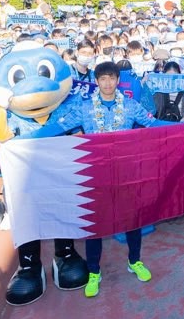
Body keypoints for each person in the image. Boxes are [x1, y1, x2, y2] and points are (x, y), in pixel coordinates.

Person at [29, 62, 171, 298]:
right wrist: (25, 139)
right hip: (95, 174)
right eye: (102, 79)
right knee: (96, 224)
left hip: (126, 173)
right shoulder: (85, 108)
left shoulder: (130, 105)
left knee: (133, 220)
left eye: (111, 78)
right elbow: (58, 127)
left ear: (118, 80)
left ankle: (134, 261)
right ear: (96, 81)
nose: (107, 83)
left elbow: (153, 124)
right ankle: (94, 271)